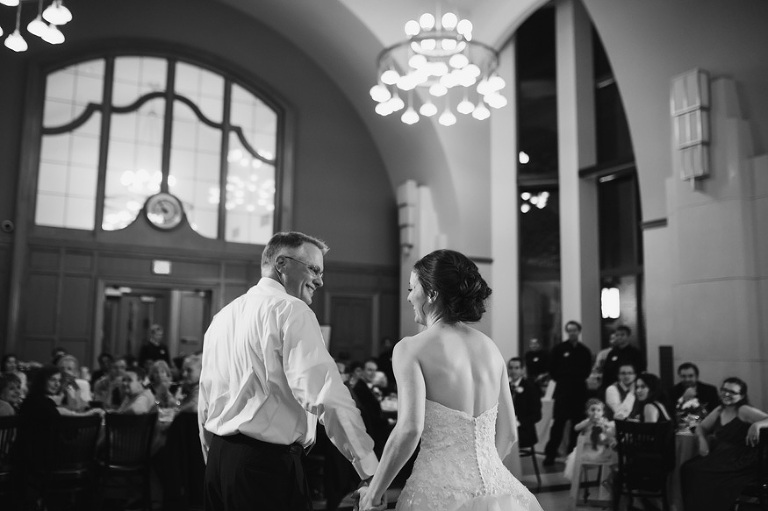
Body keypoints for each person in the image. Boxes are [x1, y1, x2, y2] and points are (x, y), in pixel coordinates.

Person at [199, 232, 378, 511]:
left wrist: (214, 460)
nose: (320, 280)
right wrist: (369, 470)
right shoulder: (290, 310)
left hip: (221, 465)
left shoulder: (223, 317)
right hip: (265, 469)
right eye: (314, 269)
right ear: (281, 264)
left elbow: (207, 400)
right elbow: (326, 395)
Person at [356, 249, 543, 511]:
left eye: (412, 288)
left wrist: (375, 492)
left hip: (438, 493)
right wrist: (483, 476)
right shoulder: (490, 348)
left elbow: (409, 429)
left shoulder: (410, 348)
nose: (409, 297)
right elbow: (509, 432)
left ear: (432, 294)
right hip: (498, 491)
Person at [681, 377, 768, 511]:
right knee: (688, 468)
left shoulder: (744, 410)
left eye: (732, 392)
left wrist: (757, 424)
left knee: (700, 472)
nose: (726, 394)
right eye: (724, 390)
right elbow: (701, 427)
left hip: (740, 459)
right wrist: (702, 440)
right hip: (723, 456)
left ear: (742, 395)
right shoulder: (720, 409)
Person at [544, 320, 593, 466]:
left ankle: (573, 454)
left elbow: (587, 371)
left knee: (577, 424)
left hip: (579, 391)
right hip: (563, 391)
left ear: (579, 331)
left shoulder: (584, 351)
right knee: (558, 423)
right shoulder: (559, 349)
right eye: (570, 330)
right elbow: (552, 370)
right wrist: (564, 377)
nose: (572, 333)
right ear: (567, 332)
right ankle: (550, 454)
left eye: (575, 330)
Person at [563, 398, 616, 481]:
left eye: (599, 410)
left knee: (612, 453)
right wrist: (588, 422)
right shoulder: (587, 422)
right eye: (593, 410)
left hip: (600, 451)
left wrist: (605, 427)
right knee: (576, 455)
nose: (595, 412)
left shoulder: (604, 422)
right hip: (587, 450)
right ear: (587, 412)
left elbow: (608, 434)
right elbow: (576, 428)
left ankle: (607, 483)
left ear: (603, 412)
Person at [508, 357, 542, 449]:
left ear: (523, 370)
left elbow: (537, 415)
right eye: (511, 368)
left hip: (524, 431)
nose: (513, 371)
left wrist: (518, 423)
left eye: (517, 368)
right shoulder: (505, 386)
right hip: (506, 429)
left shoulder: (531, 387)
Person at [600, 325, 644, 391]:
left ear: (628, 336)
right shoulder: (612, 353)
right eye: (617, 335)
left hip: (630, 387)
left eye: (622, 335)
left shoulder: (635, 353)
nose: (619, 337)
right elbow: (606, 371)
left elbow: (640, 370)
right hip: (612, 386)